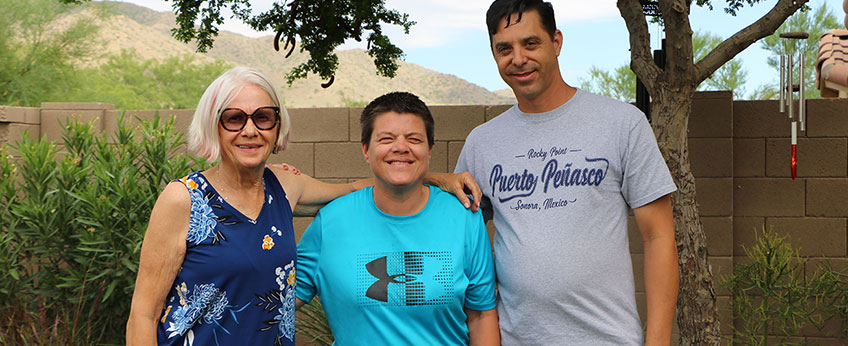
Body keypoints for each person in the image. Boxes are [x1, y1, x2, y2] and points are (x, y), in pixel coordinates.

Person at [125, 67, 478, 346]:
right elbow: (144, 313)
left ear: (277, 126)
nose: (250, 130)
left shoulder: (283, 184)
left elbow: (363, 185)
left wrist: (434, 178)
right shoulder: (184, 199)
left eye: (263, 117)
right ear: (213, 125)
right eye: (234, 118)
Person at [452, 1, 680, 345]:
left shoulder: (621, 124)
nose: (518, 58)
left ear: (556, 42)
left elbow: (659, 237)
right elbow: (459, 235)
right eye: (504, 48)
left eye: (531, 43)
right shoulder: (482, 143)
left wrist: (658, 342)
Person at [295, 92, 500, 345]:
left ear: (429, 150)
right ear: (365, 150)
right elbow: (275, 301)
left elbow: (481, 315)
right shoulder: (330, 222)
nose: (400, 147)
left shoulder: (464, 216)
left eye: (414, 139)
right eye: (386, 139)